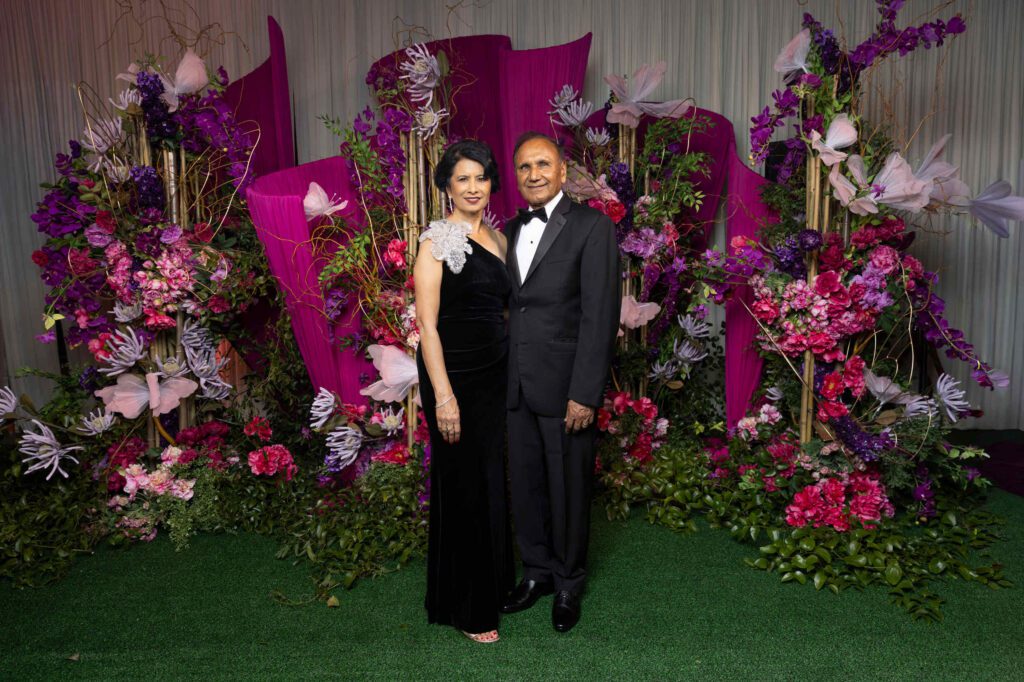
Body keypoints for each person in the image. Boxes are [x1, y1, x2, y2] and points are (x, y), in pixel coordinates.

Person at [501, 132, 620, 633]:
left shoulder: (592, 227)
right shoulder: (507, 229)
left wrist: (585, 393)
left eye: (543, 164)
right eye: (525, 166)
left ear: (563, 168)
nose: (534, 174)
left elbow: (600, 315)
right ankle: (537, 572)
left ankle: (569, 582)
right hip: (516, 385)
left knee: (568, 487)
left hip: (567, 386)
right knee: (526, 485)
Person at [414, 139, 513, 644]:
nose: (473, 187)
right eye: (463, 179)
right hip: (453, 376)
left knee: (491, 479)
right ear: (446, 187)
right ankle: (469, 609)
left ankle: (492, 585)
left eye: (481, 177)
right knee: (465, 485)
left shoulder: (497, 238)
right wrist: (445, 396)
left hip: (494, 373)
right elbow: (428, 327)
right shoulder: (436, 241)